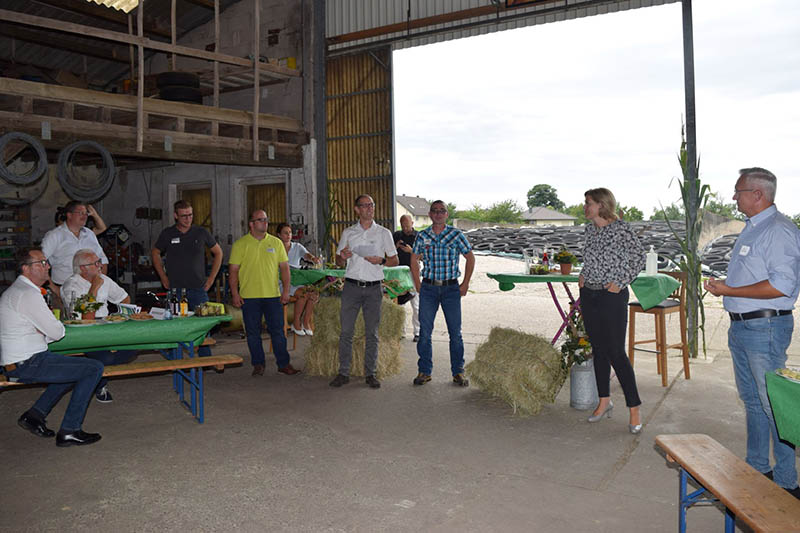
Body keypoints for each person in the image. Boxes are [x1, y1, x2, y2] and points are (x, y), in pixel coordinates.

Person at [704, 167, 800, 499]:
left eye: (739, 191)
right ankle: (757, 468)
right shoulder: (754, 229)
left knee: (774, 404)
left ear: (758, 194)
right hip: (745, 327)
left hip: (766, 326)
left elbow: (782, 284)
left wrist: (729, 288)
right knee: (754, 402)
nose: (734, 197)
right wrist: (727, 290)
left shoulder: (778, 231)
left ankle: (787, 481)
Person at [0, 248, 103, 447]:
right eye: (42, 263)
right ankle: (70, 430)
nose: (48, 266)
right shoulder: (27, 294)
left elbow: (47, 329)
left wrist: (42, 330)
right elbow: (57, 332)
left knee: (72, 368)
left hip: (23, 359)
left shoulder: (19, 290)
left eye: (47, 262)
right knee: (93, 368)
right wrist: (46, 329)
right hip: (26, 363)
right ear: (26, 269)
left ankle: (34, 415)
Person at [578, 188, 645, 434]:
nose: (585, 207)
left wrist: (622, 281)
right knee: (598, 350)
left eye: (589, 203)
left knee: (616, 351)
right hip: (589, 293)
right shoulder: (589, 230)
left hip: (612, 295)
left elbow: (639, 257)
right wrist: (583, 275)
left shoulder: (622, 229)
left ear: (602, 204)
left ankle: (634, 407)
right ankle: (604, 401)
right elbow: (590, 259)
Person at [329, 195, 398, 389]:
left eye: (372, 205)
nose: (369, 208)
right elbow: (338, 262)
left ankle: (371, 373)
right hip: (351, 286)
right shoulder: (348, 233)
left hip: (374, 287)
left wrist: (381, 261)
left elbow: (395, 260)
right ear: (356, 209)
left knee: (372, 333)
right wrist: (342, 256)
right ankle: (343, 372)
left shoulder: (383, 233)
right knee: (346, 332)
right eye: (365, 206)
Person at [409, 200, 475, 387]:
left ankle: (458, 372)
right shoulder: (422, 236)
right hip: (429, 288)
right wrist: (418, 283)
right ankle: (424, 371)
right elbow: (414, 260)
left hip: (451, 290)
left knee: (455, 333)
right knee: (425, 332)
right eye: (435, 211)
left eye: (442, 211)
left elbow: (470, 257)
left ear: (447, 215)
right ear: (430, 214)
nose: (438, 214)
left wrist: (465, 283)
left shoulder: (456, 235)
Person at [229, 210, 300, 377]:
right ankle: (258, 364)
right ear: (251, 224)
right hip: (249, 296)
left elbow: (285, 269)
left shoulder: (276, 243)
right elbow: (233, 271)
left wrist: (286, 291)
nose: (265, 223)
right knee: (253, 333)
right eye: (260, 220)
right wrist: (235, 294)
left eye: (266, 220)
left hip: (273, 296)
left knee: (278, 331)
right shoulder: (240, 244)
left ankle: (283, 364)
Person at [61, 249, 137, 403]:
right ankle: (99, 384)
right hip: (84, 330)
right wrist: (94, 288)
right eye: (95, 263)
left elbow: (125, 298)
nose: (100, 266)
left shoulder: (104, 279)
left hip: (107, 327)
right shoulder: (71, 285)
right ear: (82, 268)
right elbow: (85, 318)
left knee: (133, 349)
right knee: (106, 358)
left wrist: (119, 315)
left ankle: (91, 375)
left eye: (99, 262)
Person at [151, 200, 223, 356]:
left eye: (190, 215)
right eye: (184, 216)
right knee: (174, 327)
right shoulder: (167, 234)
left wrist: (211, 279)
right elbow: (155, 253)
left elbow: (218, 253)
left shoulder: (201, 232)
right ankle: (174, 361)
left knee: (203, 325)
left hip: (198, 288)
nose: (188, 219)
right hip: (175, 289)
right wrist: (163, 276)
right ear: (176, 216)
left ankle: (205, 361)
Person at [42, 200, 109, 292]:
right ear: (69, 215)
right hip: (63, 288)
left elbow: (102, 260)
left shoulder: (89, 234)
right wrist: (53, 288)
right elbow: (39, 262)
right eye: (81, 213)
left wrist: (100, 283)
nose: (85, 216)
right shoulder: (54, 235)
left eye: (86, 213)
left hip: (90, 288)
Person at [276, 222, 320, 336]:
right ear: (279, 235)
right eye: (285, 233)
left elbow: (306, 255)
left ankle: (306, 322)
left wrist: (313, 258)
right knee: (303, 293)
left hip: (297, 280)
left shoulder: (297, 247)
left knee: (314, 293)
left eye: (290, 232)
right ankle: (296, 322)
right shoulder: (275, 248)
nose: (288, 235)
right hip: (282, 282)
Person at [393, 214, 420, 342]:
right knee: (399, 304)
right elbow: (388, 253)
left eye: (407, 225)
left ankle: (418, 332)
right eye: (402, 225)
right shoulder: (397, 235)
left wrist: (411, 251)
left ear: (412, 223)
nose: (405, 228)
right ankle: (400, 331)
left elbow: (425, 255)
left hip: (413, 272)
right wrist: (396, 247)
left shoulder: (419, 236)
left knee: (416, 304)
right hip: (398, 273)